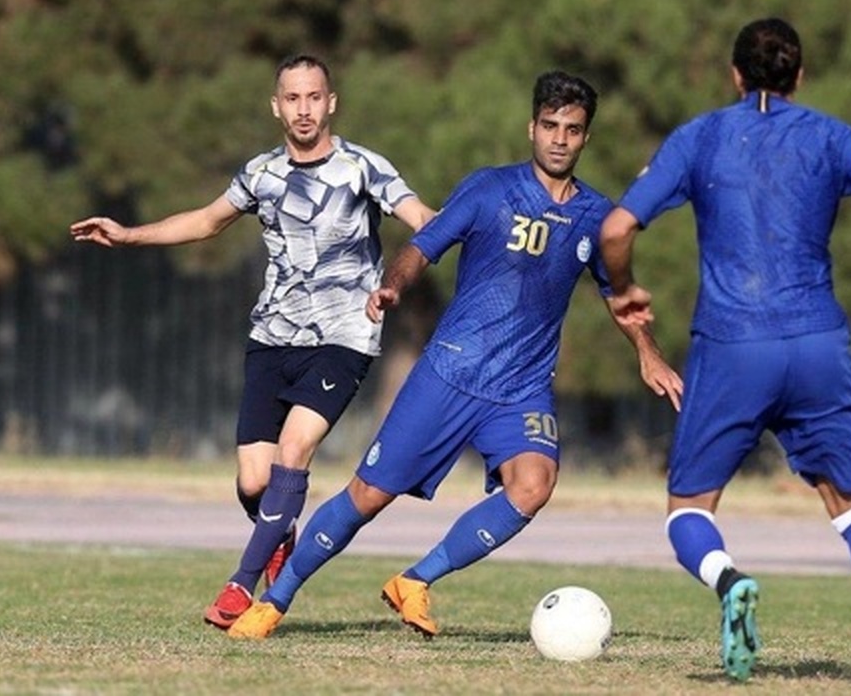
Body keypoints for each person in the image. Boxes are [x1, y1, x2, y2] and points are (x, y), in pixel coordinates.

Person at [226, 70, 683, 640]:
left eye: (572, 130)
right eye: (550, 126)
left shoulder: (595, 214)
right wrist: (393, 286)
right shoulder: (488, 189)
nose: (559, 139)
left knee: (534, 484)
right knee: (367, 496)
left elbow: (619, 295)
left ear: (585, 137)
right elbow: (421, 247)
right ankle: (275, 599)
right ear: (532, 129)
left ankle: (415, 580)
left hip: (521, 388)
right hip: (449, 373)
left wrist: (648, 353)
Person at [599, 18, 851, 689]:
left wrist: (623, 288)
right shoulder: (831, 135)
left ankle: (730, 581)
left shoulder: (699, 137)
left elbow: (616, 228)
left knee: (688, 511)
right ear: (799, 76)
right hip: (817, 342)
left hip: (733, 345)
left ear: (735, 74)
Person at [69, 54, 436, 629]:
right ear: (276, 107)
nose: (304, 109)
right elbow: (206, 221)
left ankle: (242, 585)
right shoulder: (261, 173)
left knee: (293, 452)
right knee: (253, 482)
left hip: (343, 337)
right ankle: (278, 533)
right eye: (292, 98)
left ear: (331, 102)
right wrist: (130, 235)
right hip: (272, 337)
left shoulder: (363, 167)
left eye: (313, 97)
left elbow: (424, 219)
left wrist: (463, 238)